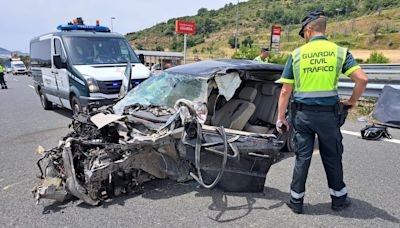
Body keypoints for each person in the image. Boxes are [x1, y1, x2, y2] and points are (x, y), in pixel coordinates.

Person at [276, 11, 368, 214]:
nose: (304, 37)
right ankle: (339, 200)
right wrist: (351, 101)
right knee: (332, 156)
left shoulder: (296, 54)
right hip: (329, 116)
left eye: (303, 33)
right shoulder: (340, 52)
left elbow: (285, 91)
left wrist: (281, 117)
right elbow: (362, 79)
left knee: (302, 157)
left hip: (302, 116)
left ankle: (296, 201)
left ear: (309, 30)